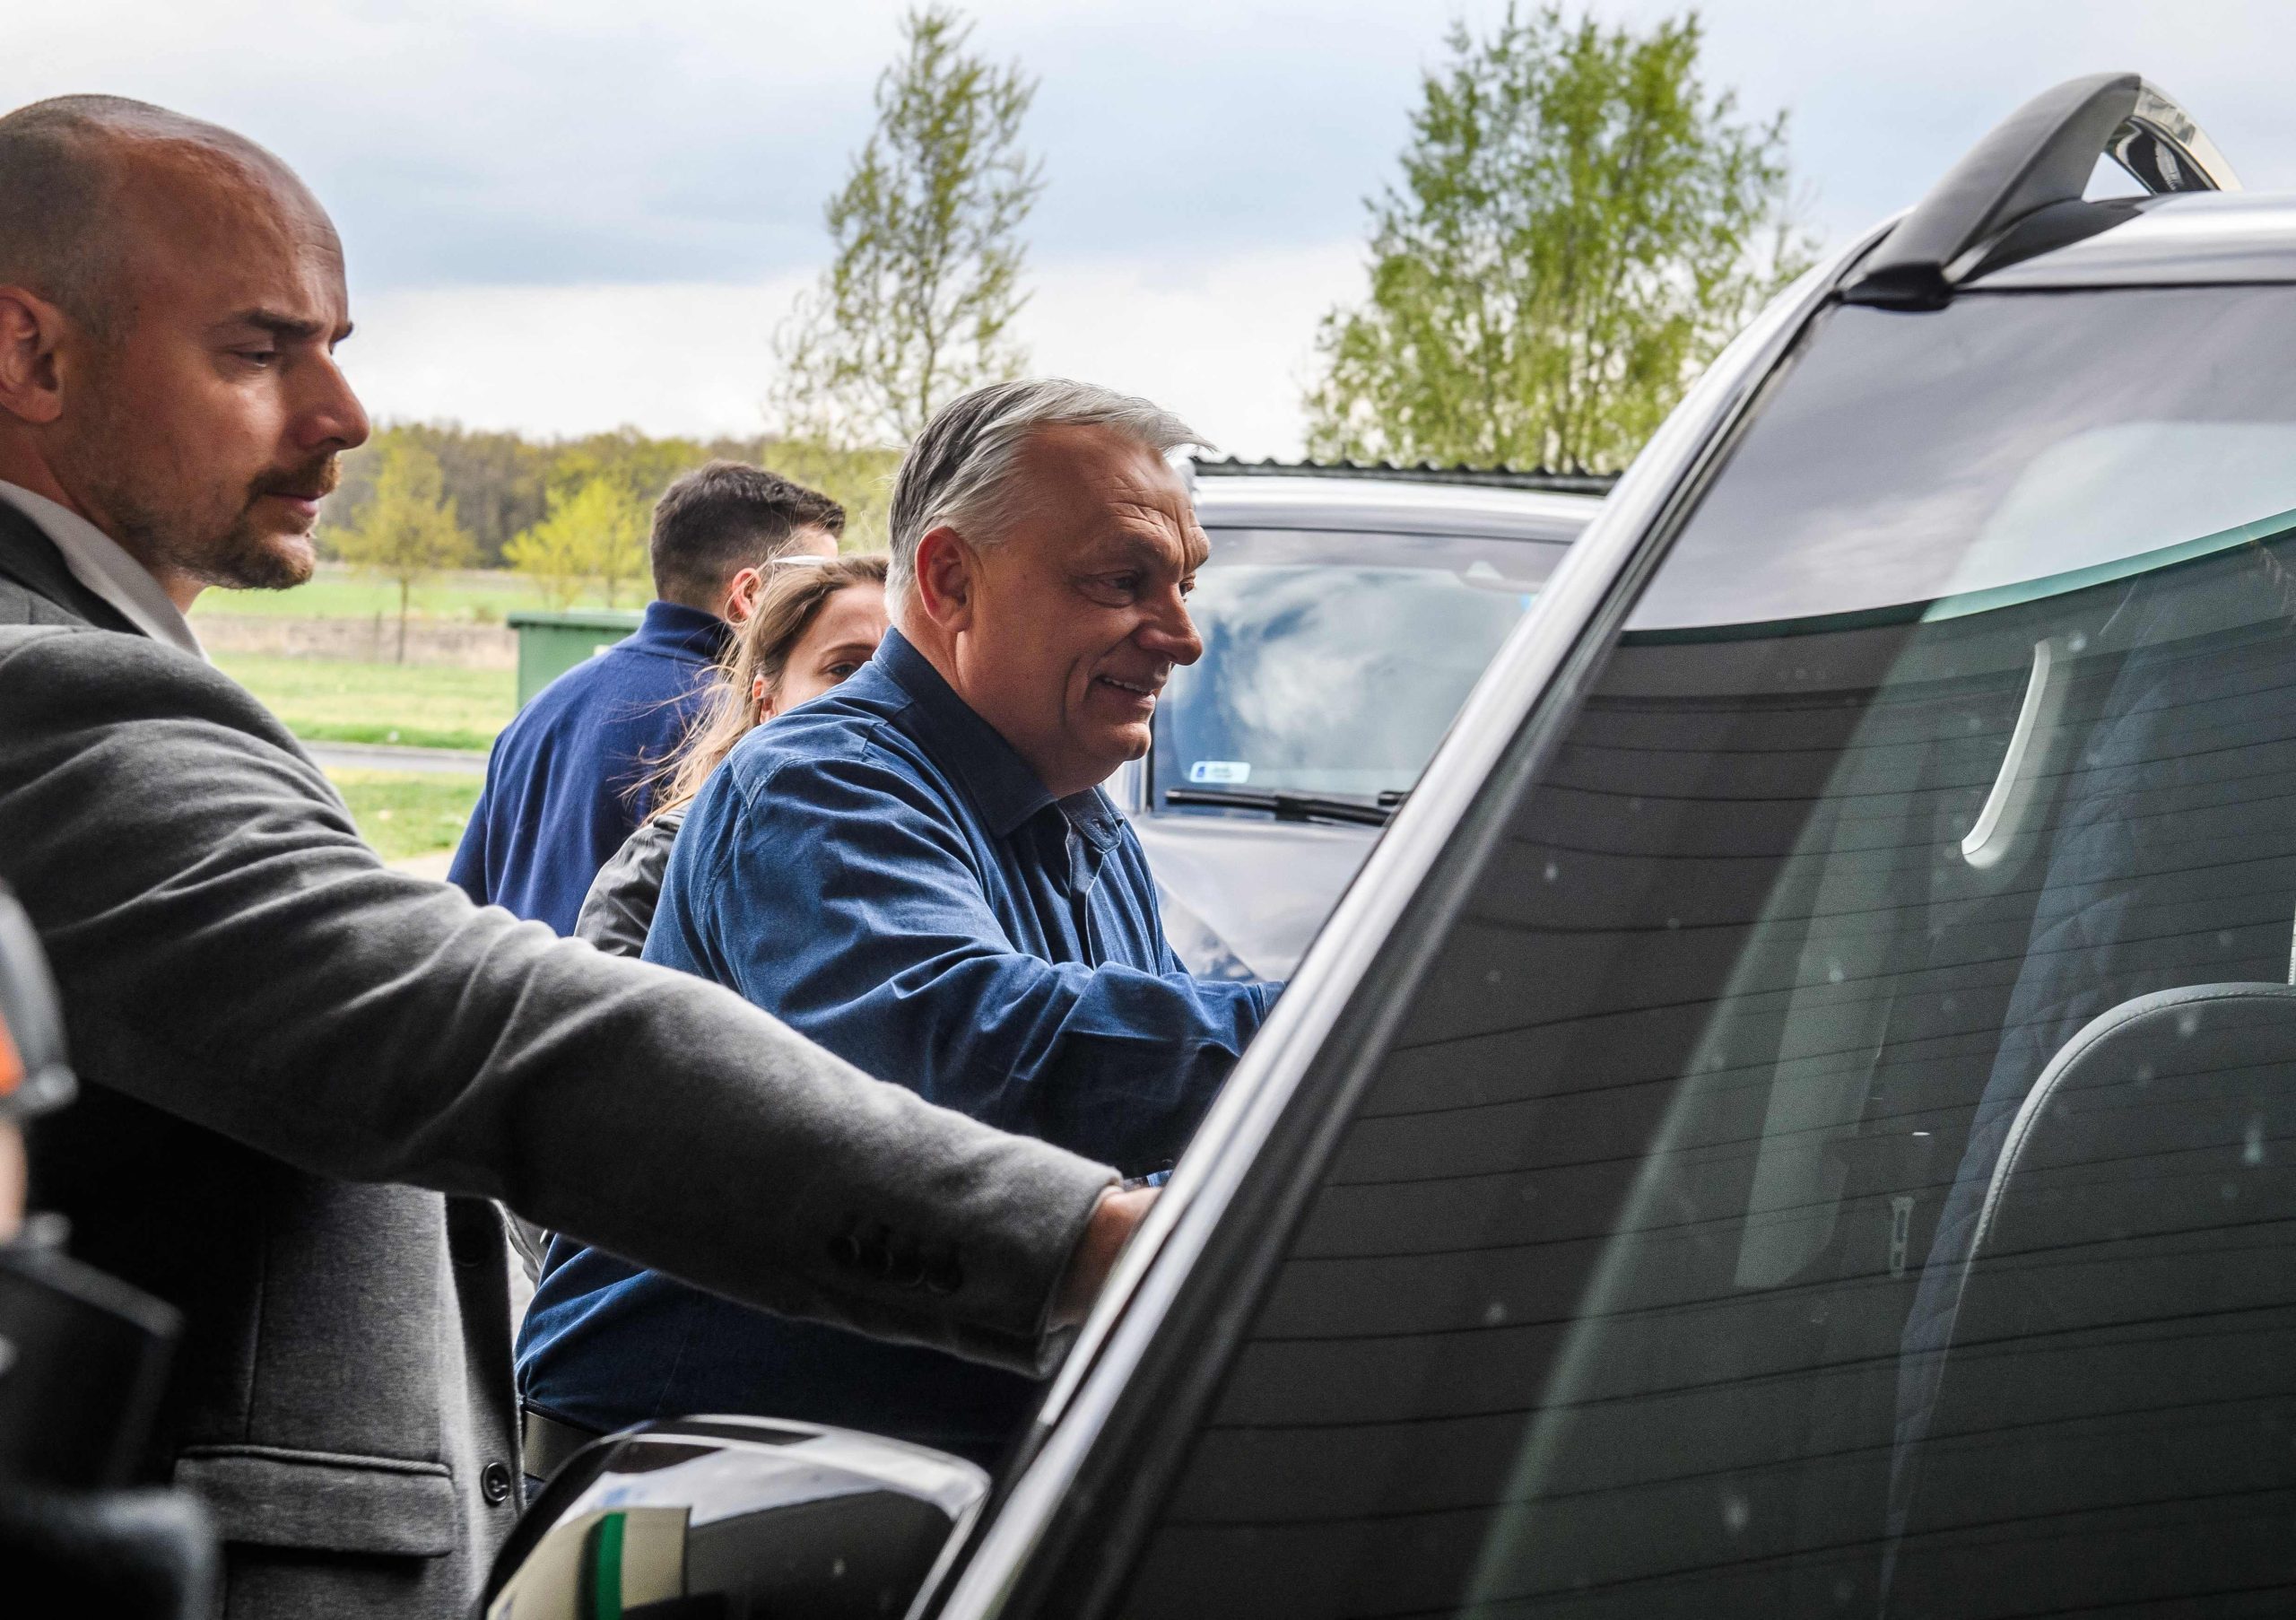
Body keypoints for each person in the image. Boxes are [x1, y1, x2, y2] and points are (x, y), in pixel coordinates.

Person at [0, 95, 1148, 1620]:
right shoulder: (37, 689)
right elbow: (484, 1027)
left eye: (338, 346)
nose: (343, 416)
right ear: (31, 356)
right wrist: (1093, 1248)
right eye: (261, 350)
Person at [519, 379, 1280, 1466]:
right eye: (1123, 581)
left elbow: (1153, 1129)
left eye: (1184, 586)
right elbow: (967, 1055)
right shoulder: (821, 784)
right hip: (708, 1468)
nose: (1181, 637)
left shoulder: (1081, 823)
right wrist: (1343, 1034)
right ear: (949, 579)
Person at [451, 460, 844, 936]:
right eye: (816, 586)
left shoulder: (544, 707)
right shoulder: (732, 727)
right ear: (749, 596)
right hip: (623, 1006)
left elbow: (463, 912)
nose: (828, 605)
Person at [574, 553, 890, 959]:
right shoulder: (666, 865)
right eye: (843, 668)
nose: (877, 694)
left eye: (895, 671)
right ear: (768, 701)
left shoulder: (946, 846)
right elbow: (607, 1016)